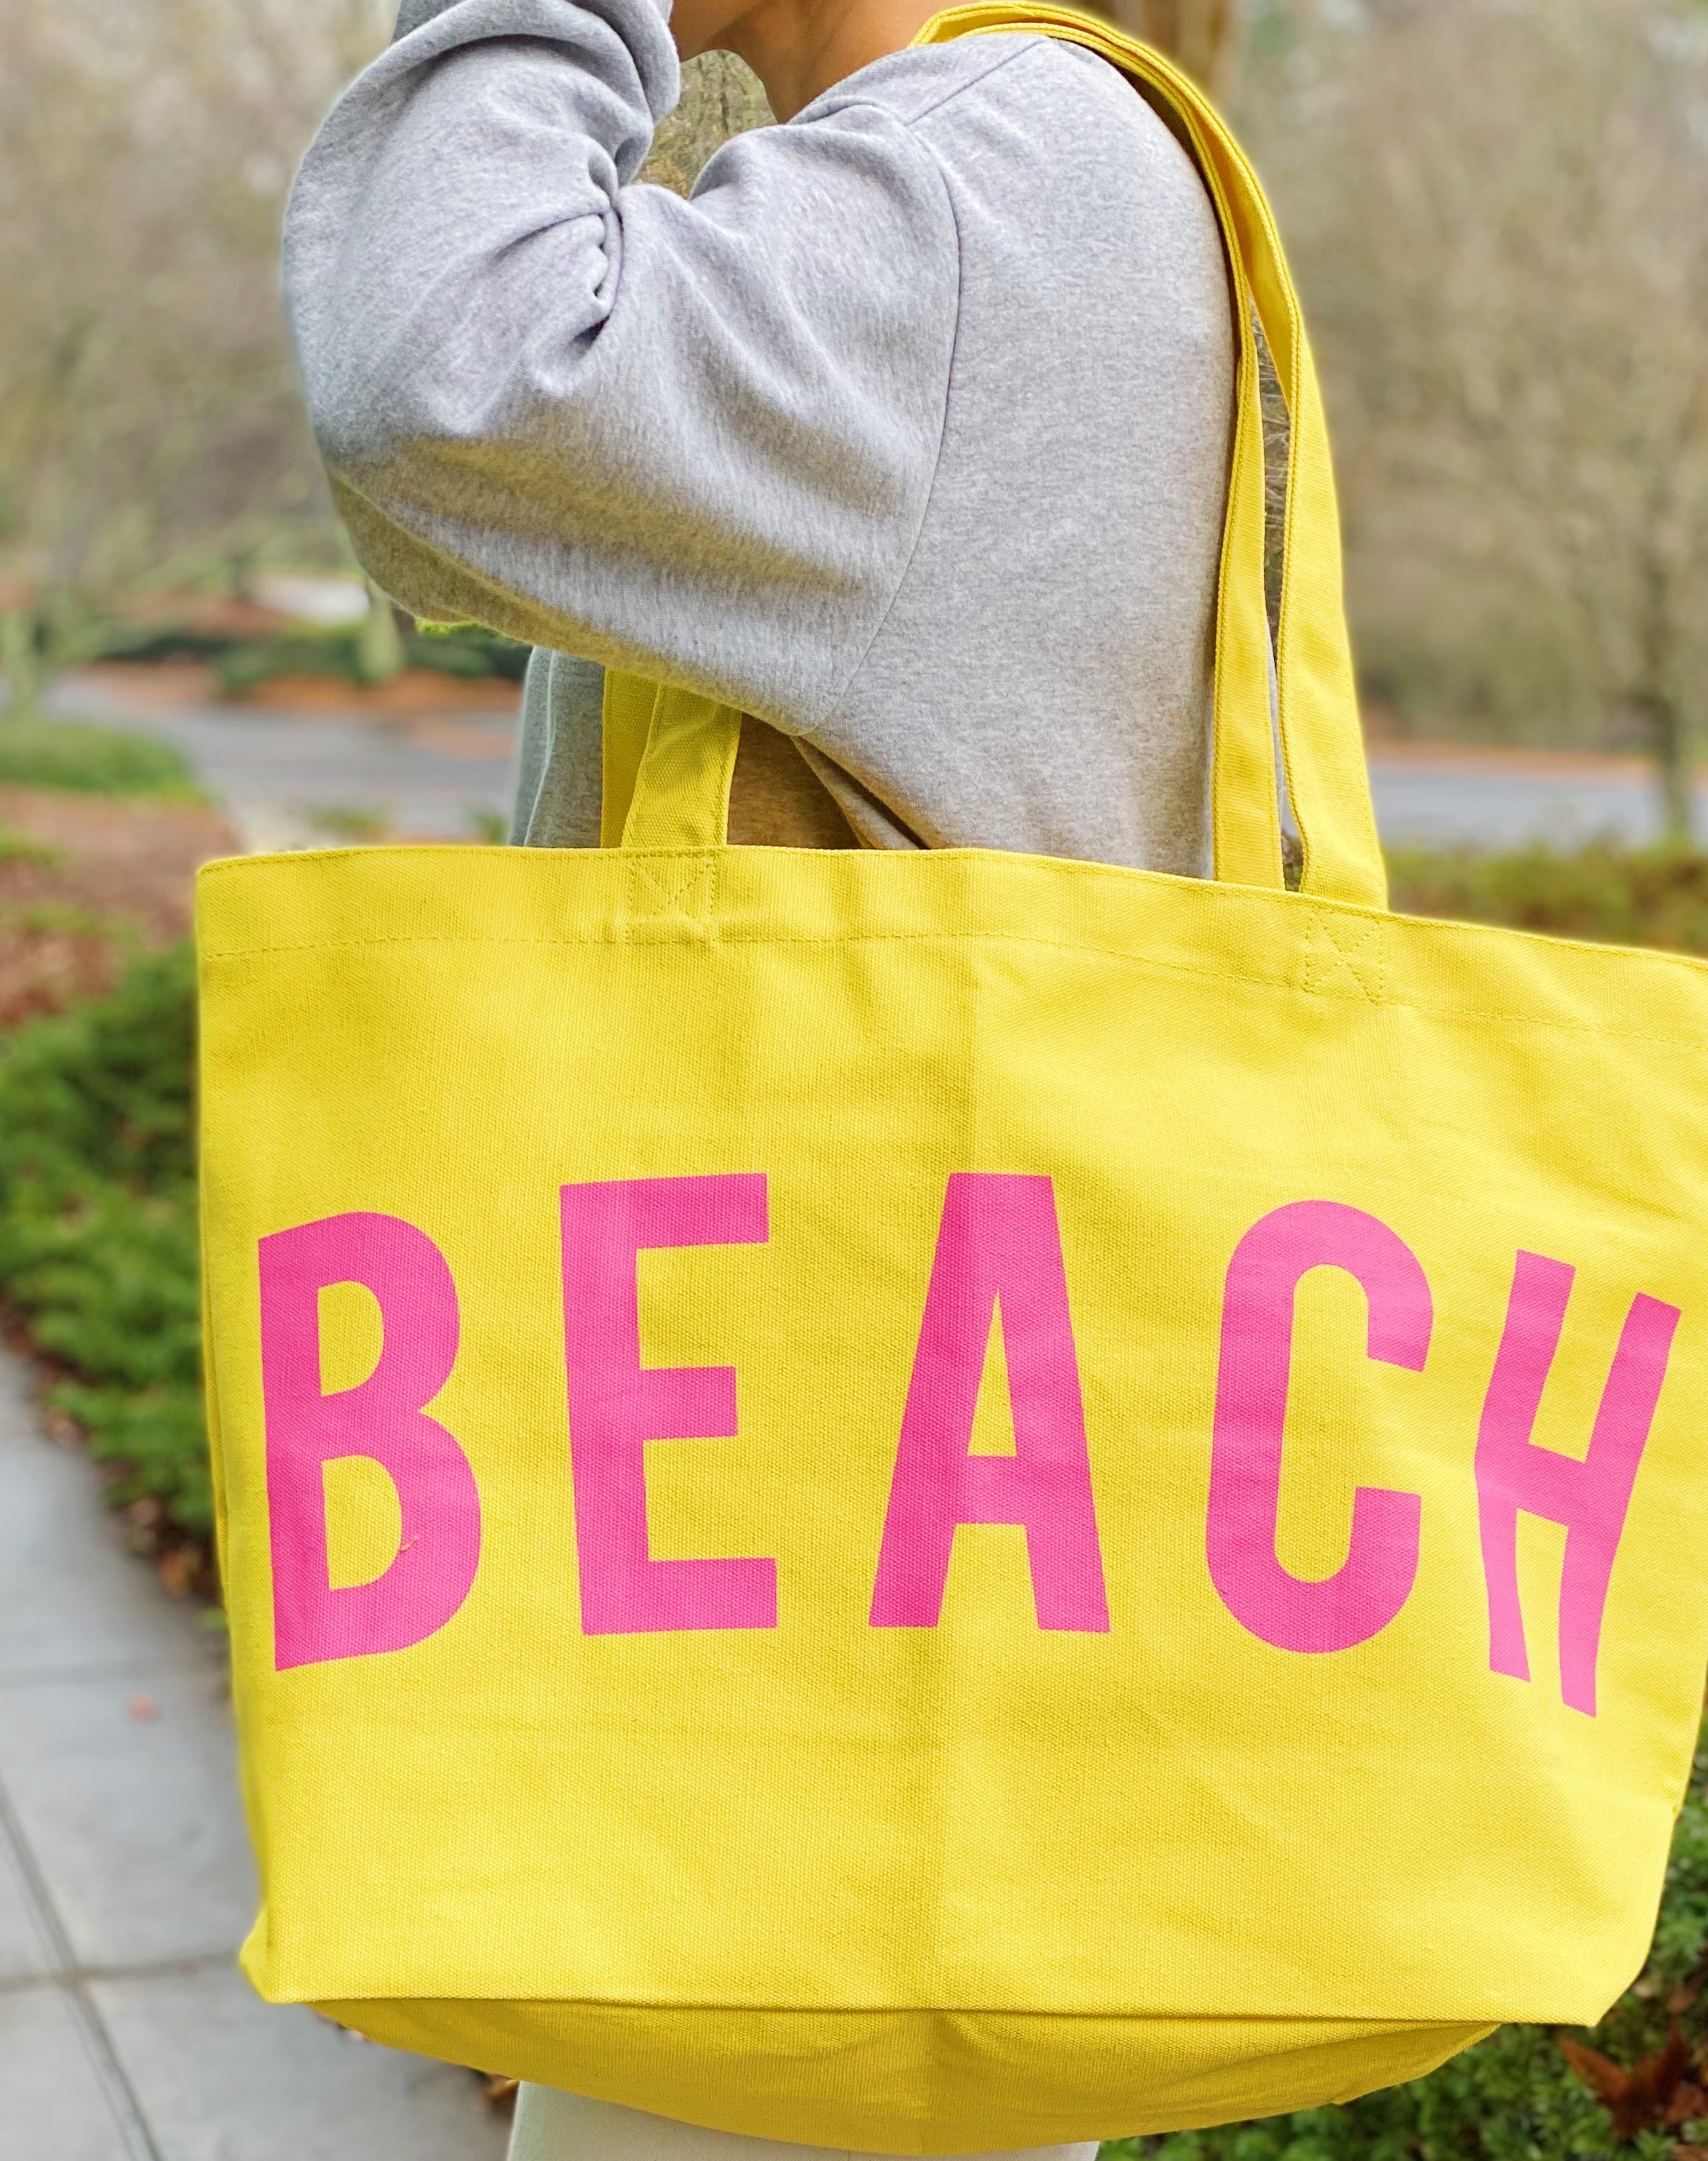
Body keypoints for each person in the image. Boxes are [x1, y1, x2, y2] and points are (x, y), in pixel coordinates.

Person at [283, 0, 1235, 2152]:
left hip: (827, 1647)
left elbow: (432, 376)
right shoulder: (941, 182)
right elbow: (449, 520)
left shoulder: (993, 182)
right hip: (854, 1580)